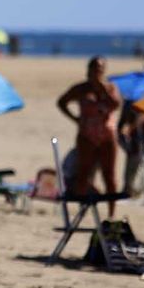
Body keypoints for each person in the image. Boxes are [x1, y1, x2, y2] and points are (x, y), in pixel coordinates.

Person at [57, 57, 123, 214]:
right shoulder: (81, 89)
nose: (97, 72)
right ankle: (82, 208)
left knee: (109, 175)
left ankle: (111, 212)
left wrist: (103, 89)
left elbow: (116, 105)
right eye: (94, 69)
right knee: (84, 172)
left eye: (100, 69)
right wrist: (75, 119)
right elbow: (62, 102)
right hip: (86, 134)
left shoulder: (110, 88)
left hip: (107, 134)